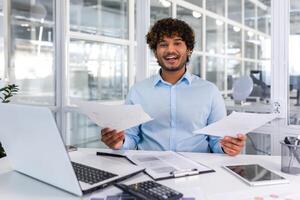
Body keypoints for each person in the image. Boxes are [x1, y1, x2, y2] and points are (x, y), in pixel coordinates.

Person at [101, 18, 246, 156]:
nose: (170, 50)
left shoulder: (210, 91)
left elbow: (217, 141)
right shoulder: (138, 91)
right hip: (148, 170)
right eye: (163, 44)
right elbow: (131, 138)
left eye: (177, 43)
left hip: (198, 172)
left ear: (188, 49)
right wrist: (119, 142)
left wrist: (227, 147)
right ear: (155, 52)